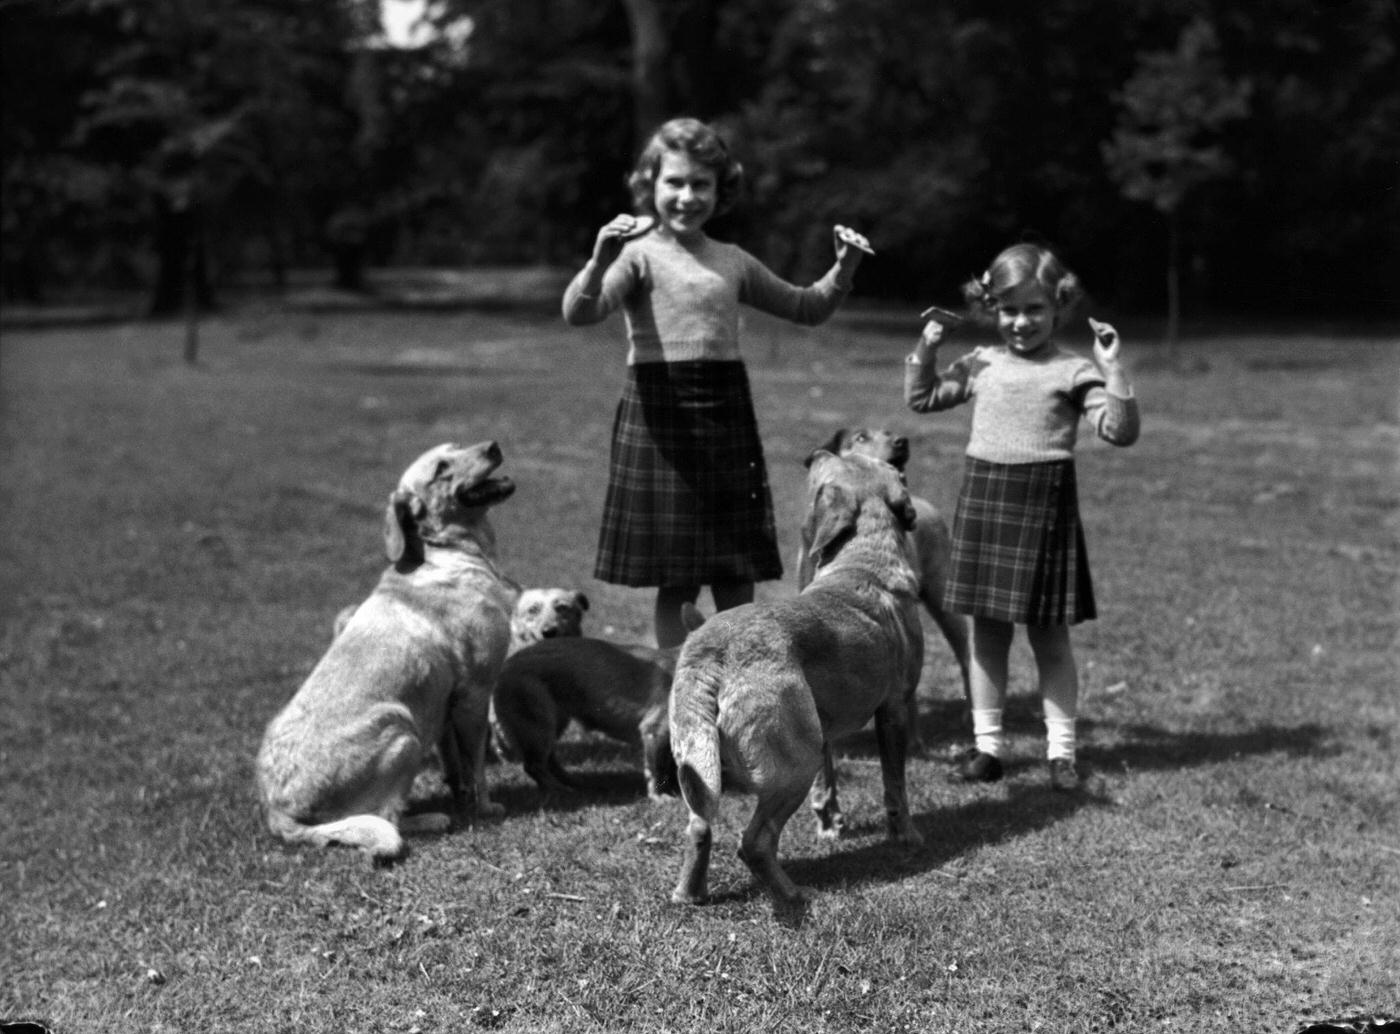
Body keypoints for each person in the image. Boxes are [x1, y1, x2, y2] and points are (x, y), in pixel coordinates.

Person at [562, 117, 870, 648]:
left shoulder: (732, 260)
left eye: (700, 184)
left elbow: (805, 306)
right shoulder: (636, 255)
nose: (687, 197)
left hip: (725, 416)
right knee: (677, 575)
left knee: (734, 568)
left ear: (720, 189)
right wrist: (597, 263)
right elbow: (580, 312)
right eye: (674, 182)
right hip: (660, 420)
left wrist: (843, 269)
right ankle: (676, 682)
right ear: (650, 185)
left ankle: (740, 673)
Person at [903, 242, 1140, 791]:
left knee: (1050, 639)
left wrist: (1113, 370)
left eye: (1034, 309)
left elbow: (1120, 431)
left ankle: (1062, 755)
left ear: (1059, 306)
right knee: (987, 636)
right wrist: (927, 346)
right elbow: (924, 398)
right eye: (1009, 310)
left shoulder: (1073, 370)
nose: (1021, 321)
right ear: (992, 309)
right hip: (987, 505)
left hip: (1044, 511)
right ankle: (987, 749)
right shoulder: (981, 363)